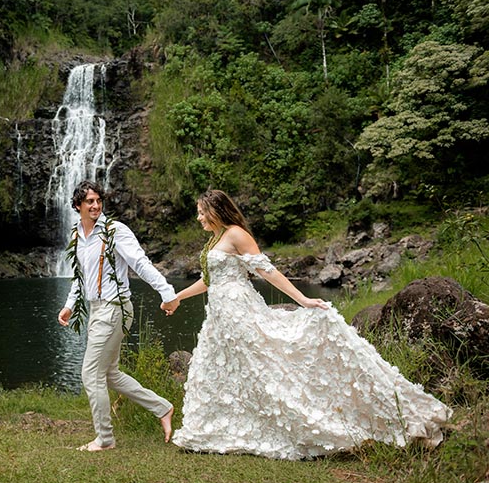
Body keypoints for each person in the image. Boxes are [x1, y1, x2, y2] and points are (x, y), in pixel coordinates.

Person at [162, 189, 452, 460]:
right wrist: (178, 297)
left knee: (263, 365)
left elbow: (267, 271)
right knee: (229, 370)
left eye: (202, 212)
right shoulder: (216, 238)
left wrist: (302, 298)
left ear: (216, 211)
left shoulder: (237, 234)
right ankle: (226, 425)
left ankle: (298, 422)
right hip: (220, 314)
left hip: (239, 309)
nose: (199, 218)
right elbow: (209, 280)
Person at [58, 180, 179, 452]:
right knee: (110, 374)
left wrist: (167, 293)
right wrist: (69, 305)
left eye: (98, 200)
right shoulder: (77, 236)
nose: (96, 205)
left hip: (115, 308)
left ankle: (105, 439)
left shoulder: (115, 231)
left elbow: (140, 263)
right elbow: (81, 277)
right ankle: (162, 407)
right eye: (89, 201)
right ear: (77, 205)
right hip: (96, 309)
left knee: (90, 373)